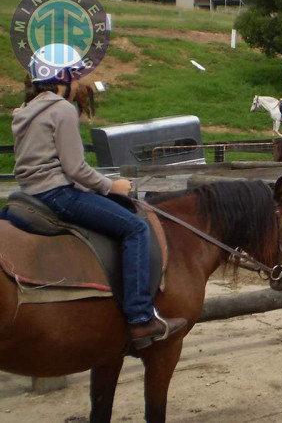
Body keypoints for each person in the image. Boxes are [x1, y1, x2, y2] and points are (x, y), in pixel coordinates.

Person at [12, 45, 187, 348]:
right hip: (58, 194)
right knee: (136, 227)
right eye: (76, 77)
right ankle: (140, 317)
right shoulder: (62, 109)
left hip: (27, 195)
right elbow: (75, 168)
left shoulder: (25, 111)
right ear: (62, 77)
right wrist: (111, 186)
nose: (80, 84)